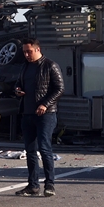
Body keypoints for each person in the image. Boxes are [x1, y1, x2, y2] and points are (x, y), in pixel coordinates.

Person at [14, 38, 64, 197]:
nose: (27, 55)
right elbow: (18, 84)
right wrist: (17, 90)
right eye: (24, 52)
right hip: (27, 113)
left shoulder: (50, 65)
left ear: (37, 49)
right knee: (30, 150)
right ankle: (33, 185)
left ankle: (50, 184)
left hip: (45, 114)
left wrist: (45, 104)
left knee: (44, 147)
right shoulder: (25, 67)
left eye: (29, 51)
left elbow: (59, 88)